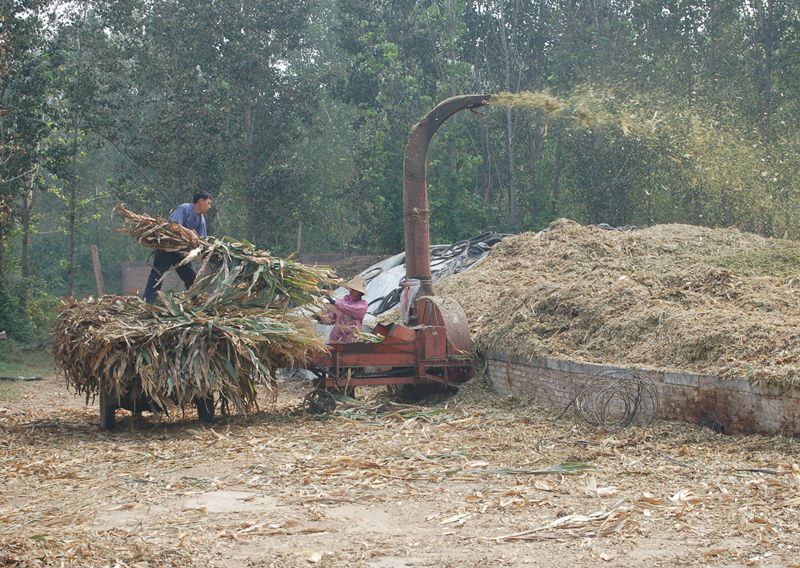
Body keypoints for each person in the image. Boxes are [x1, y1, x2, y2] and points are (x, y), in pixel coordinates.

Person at [141, 191, 212, 304]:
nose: (209, 207)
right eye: (208, 203)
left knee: (191, 278)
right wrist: (191, 233)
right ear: (201, 201)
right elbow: (173, 224)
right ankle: (147, 303)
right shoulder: (185, 208)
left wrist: (205, 253)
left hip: (181, 253)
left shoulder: (201, 220)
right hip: (166, 248)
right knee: (157, 275)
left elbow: (201, 240)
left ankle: (197, 302)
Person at [318, 276, 368, 343]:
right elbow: (332, 318)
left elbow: (350, 309)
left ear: (360, 293)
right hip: (336, 338)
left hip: (350, 338)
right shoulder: (343, 301)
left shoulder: (362, 305)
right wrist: (321, 318)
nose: (351, 291)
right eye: (351, 289)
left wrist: (334, 302)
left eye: (355, 290)